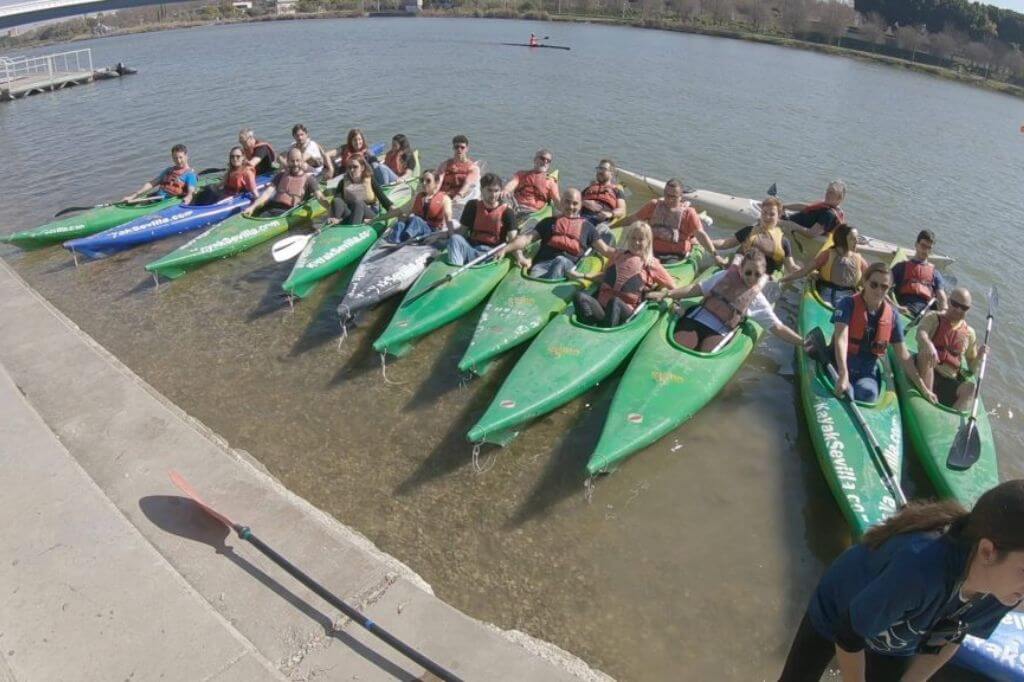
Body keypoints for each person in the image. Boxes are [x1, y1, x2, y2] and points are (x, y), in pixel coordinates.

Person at [779, 479, 1024, 682]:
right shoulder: (920, 571)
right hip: (838, 612)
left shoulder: (1005, 590)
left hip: (900, 637)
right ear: (987, 552)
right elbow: (848, 635)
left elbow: (954, 634)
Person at [649, 249, 805, 352]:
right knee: (680, 346)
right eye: (748, 272)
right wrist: (667, 294)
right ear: (740, 269)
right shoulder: (723, 276)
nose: (752, 278)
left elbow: (777, 327)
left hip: (719, 331)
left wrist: (803, 342)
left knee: (706, 353)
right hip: (695, 320)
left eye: (757, 274)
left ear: (763, 274)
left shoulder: (757, 299)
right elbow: (697, 289)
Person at [831, 262, 935, 403]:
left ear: (889, 289)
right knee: (847, 392)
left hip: (866, 373)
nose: (879, 291)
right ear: (864, 282)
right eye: (874, 284)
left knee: (867, 394)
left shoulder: (892, 316)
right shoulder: (847, 304)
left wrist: (923, 388)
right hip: (839, 364)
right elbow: (841, 339)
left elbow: (904, 356)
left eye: (884, 287)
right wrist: (843, 374)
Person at [574, 222, 674, 327]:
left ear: (648, 242)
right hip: (602, 308)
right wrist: (582, 275)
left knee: (615, 302)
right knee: (579, 296)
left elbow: (672, 286)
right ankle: (588, 326)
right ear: (628, 238)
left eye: (641, 239)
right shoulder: (617, 255)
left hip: (624, 312)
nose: (636, 242)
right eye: (633, 238)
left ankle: (607, 332)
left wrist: (661, 293)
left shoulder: (651, 264)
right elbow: (605, 277)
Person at [504, 189, 611, 280]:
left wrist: (625, 255)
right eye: (567, 202)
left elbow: (606, 250)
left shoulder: (588, 228)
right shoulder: (548, 222)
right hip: (541, 265)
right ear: (561, 202)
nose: (570, 206)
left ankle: (545, 293)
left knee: (561, 261)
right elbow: (526, 239)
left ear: (581, 205)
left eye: (575, 203)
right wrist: (505, 249)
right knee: (535, 277)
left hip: (566, 267)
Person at [914, 287, 988, 411]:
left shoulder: (969, 333)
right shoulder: (933, 317)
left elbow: (972, 368)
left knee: (971, 389)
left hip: (949, 380)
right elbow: (921, 333)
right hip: (927, 369)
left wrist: (980, 356)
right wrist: (928, 344)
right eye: (955, 304)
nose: (958, 309)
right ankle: (927, 402)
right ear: (948, 301)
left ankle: (951, 418)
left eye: (964, 308)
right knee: (926, 355)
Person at [621, 178, 715, 263]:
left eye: (673, 196)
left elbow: (701, 234)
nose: (669, 199)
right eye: (667, 195)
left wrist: (716, 256)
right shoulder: (653, 205)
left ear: (680, 196)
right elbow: (632, 219)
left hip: (674, 255)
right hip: (649, 250)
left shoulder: (689, 213)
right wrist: (611, 226)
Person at [781, 223, 869, 307]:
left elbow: (872, 276)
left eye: (856, 238)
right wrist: (782, 280)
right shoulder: (827, 255)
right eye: (852, 239)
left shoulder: (859, 260)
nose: (856, 241)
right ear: (842, 240)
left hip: (849, 297)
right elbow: (803, 272)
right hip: (827, 294)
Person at [714, 196, 798, 276]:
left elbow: (791, 266)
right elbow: (726, 243)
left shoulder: (783, 242)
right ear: (761, 212)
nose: (767, 217)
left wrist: (803, 271)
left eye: (772, 214)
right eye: (764, 212)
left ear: (779, 216)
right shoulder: (749, 230)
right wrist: (705, 241)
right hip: (742, 272)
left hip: (764, 277)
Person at [447, 172, 518, 265]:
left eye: (496, 191)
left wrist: (520, 258)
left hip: (491, 253)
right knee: (455, 238)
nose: (493, 195)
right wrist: (445, 236)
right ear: (481, 190)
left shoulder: (507, 212)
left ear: (500, 191)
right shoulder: (472, 206)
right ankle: (455, 268)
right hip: (471, 249)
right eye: (489, 190)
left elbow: (513, 240)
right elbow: (462, 232)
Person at [243, 148, 330, 217]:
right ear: (288, 161)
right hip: (271, 207)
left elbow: (319, 197)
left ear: (302, 161)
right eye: (292, 161)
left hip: (286, 212)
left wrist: (331, 211)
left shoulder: (309, 179)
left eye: (298, 160)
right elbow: (267, 193)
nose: (295, 164)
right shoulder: (280, 176)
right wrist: (252, 207)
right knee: (259, 211)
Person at [383, 170, 453, 244]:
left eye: (428, 181)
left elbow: (449, 219)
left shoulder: (445, 199)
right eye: (422, 180)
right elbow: (408, 213)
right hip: (416, 227)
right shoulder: (420, 197)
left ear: (436, 183)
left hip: (431, 231)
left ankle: (405, 239)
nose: (424, 183)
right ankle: (394, 240)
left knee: (416, 220)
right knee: (401, 222)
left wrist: (452, 236)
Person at [891, 230, 948, 317]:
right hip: (904, 309)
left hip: (925, 313)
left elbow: (942, 297)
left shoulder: (935, 273)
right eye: (923, 246)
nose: (926, 251)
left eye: (929, 248)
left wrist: (944, 311)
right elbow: (883, 286)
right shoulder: (901, 267)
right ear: (916, 245)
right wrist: (895, 306)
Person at [123, 144, 198, 205]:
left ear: (186, 156)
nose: (178, 161)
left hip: (167, 204)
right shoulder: (169, 170)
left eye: (180, 157)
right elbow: (152, 183)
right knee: (132, 201)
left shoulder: (190, 174)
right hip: (156, 199)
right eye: (175, 158)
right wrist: (133, 196)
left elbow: (190, 191)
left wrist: (188, 197)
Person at [327, 155, 392, 226]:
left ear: (362, 168)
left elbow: (384, 200)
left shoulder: (370, 180)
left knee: (358, 203)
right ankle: (334, 224)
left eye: (355, 167)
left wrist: (393, 210)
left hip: (369, 215)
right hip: (351, 214)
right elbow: (336, 202)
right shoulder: (342, 182)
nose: (352, 170)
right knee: (337, 200)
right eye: (349, 167)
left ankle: (353, 230)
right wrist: (330, 217)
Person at [189, 147, 259, 205]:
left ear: (243, 157)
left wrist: (254, 206)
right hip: (226, 194)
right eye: (232, 157)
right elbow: (220, 184)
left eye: (238, 156)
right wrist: (202, 189)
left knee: (211, 191)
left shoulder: (247, 172)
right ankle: (194, 205)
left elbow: (255, 193)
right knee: (209, 189)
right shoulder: (231, 171)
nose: (235, 159)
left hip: (236, 198)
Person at [502, 149, 560, 217]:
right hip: (516, 205)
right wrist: (505, 190)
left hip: (534, 211)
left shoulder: (551, 181)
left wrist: (567, 209)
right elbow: (512, 183)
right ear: (535, 159)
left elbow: (556, 199)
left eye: (548, 161)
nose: (545, 162)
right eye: (542, 158)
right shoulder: (521, 174)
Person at [580, 159, 627, 232]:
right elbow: (574, 200)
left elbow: (622, 210)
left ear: (611, 174)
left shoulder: (616, 190)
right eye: (599, 168)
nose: (599, 171)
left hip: (601, 219)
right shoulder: (588, 189)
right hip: (583, 217)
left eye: (603, 169)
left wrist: (610, 214)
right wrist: (584, 202)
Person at [436, 134, 481, 203]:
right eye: (456, 147)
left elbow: (467, 184)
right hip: (444, 195)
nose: (459, 149)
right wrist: (434, 193)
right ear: (453, 148)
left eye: (462, 147)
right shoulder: (445, 164)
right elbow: (439, 180)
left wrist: (459, 195)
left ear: (467, 149)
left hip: (460, 198)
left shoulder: (473, 168)